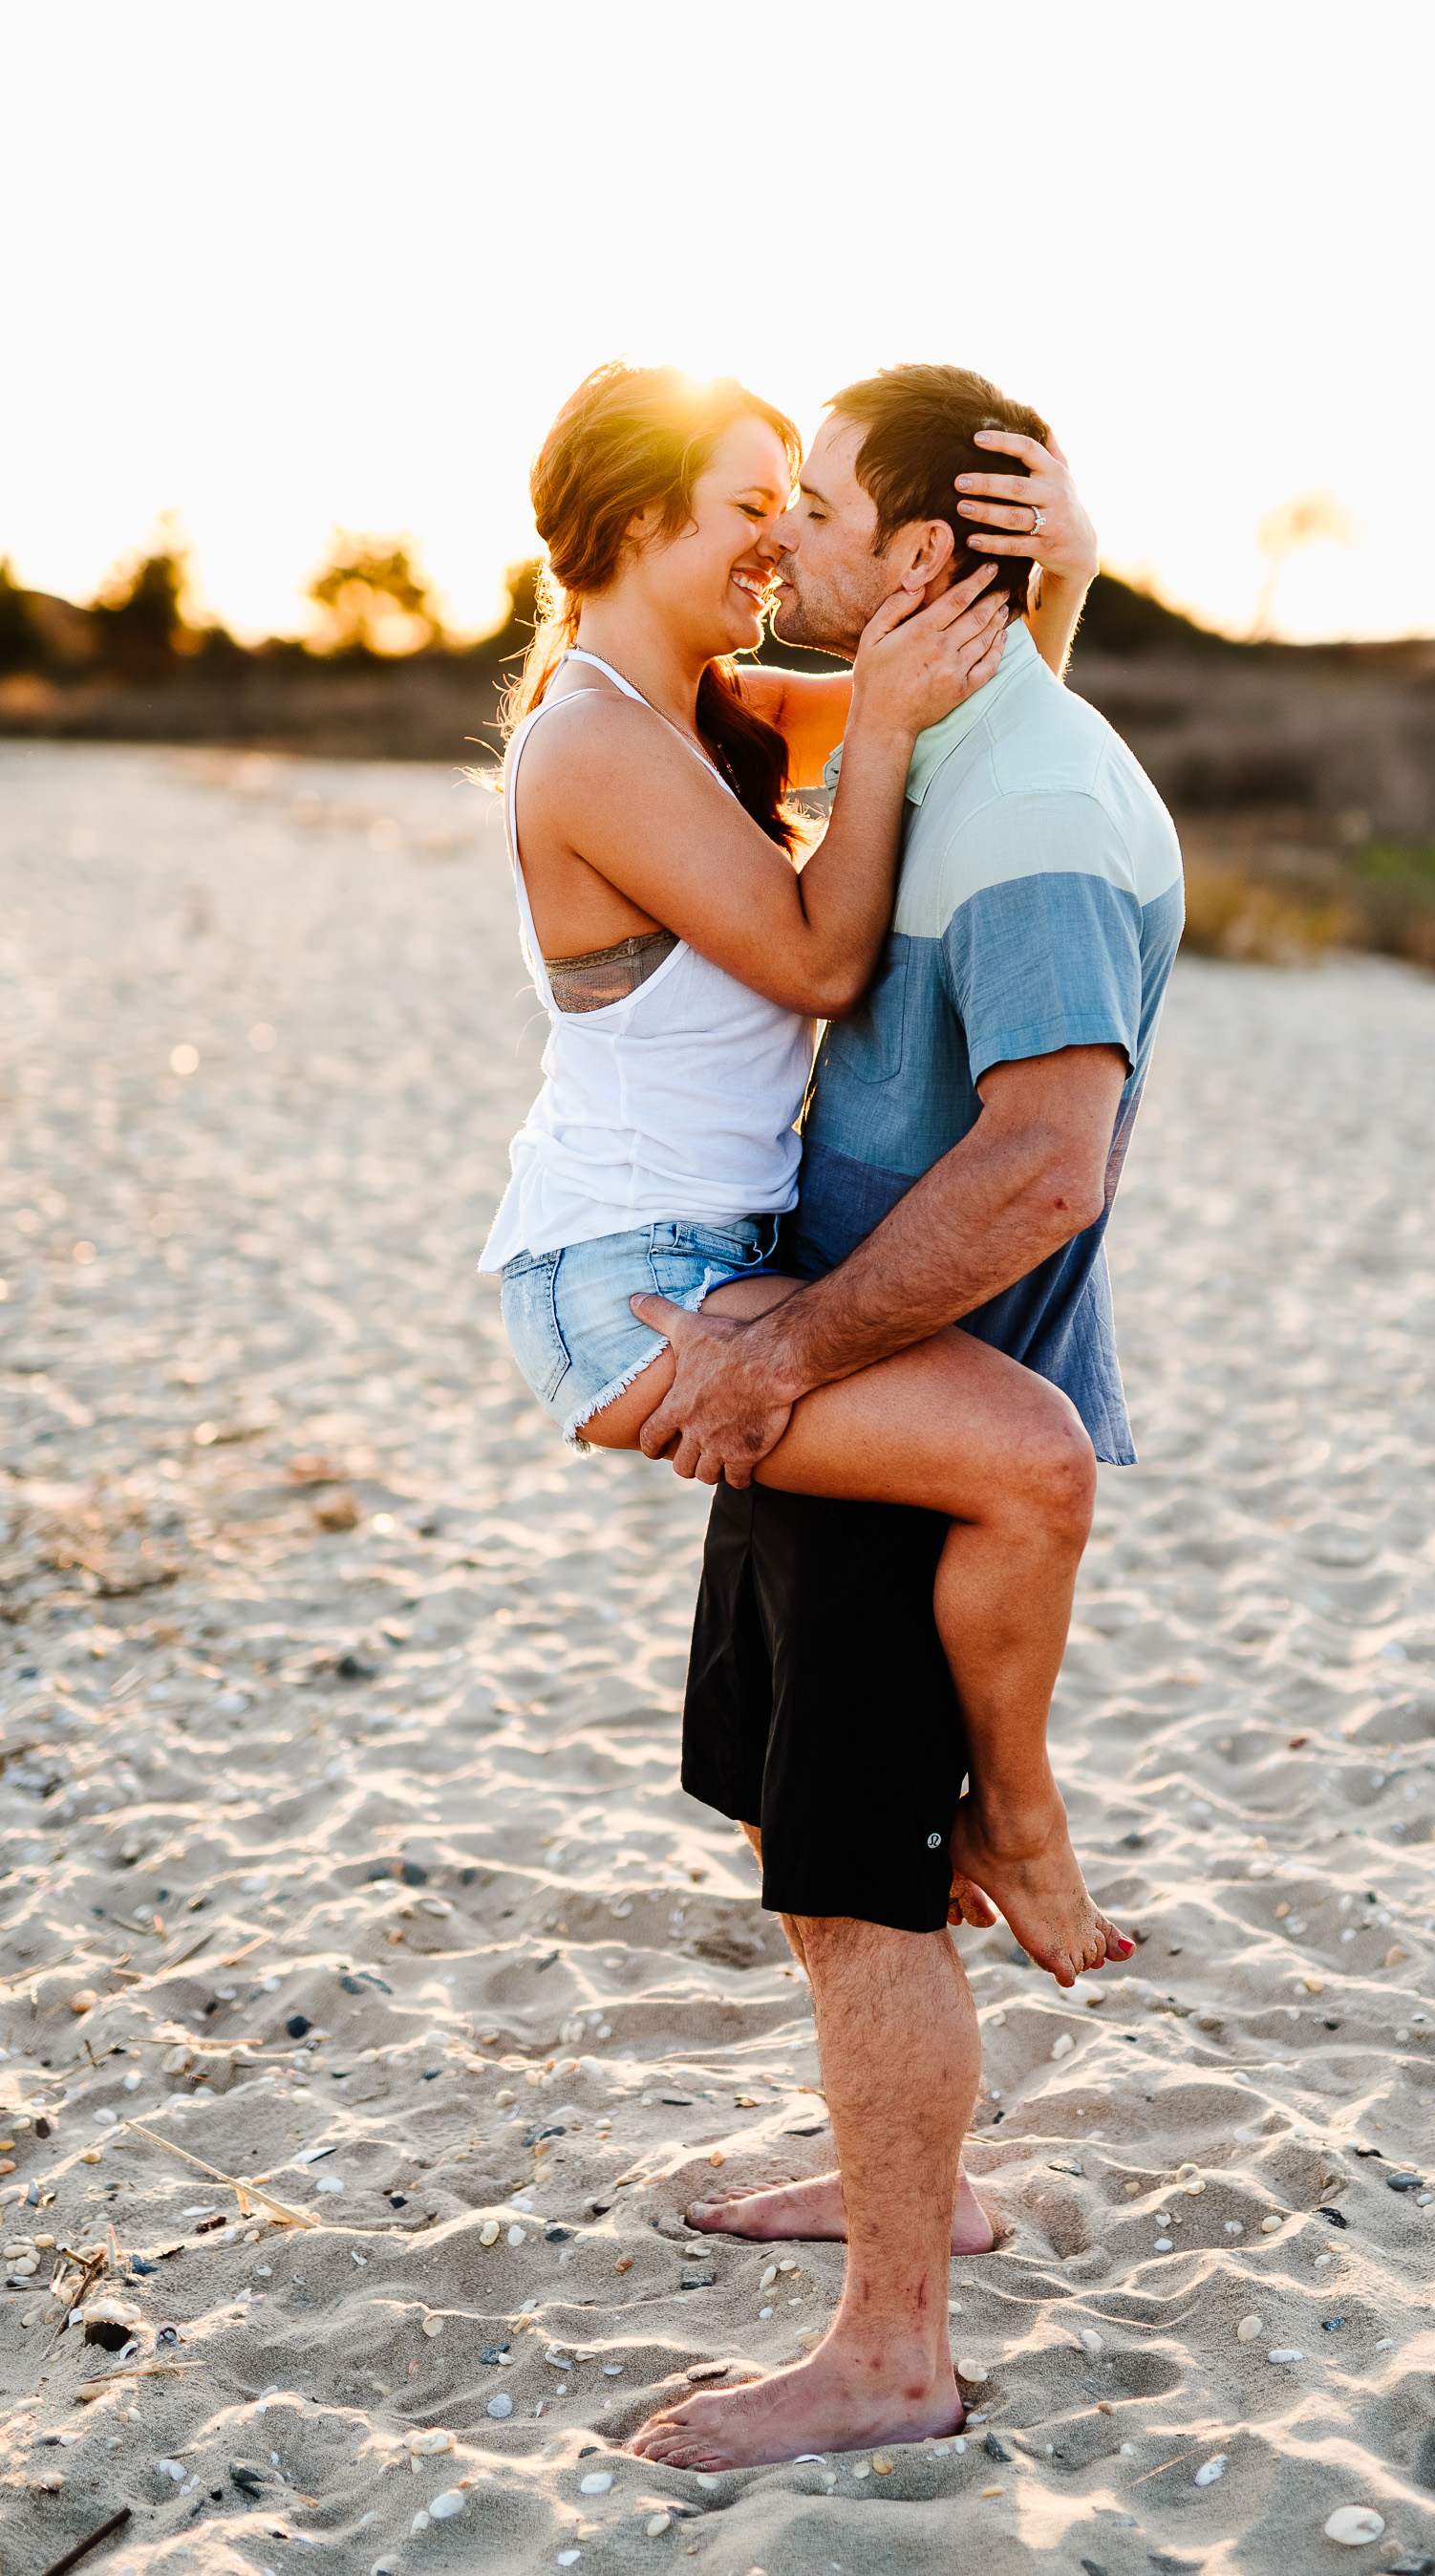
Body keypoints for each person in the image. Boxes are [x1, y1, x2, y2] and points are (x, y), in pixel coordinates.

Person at [625, 363, 1184, 2473]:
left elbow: (1050, 1162)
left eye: (833, 516)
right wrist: (1064, 593)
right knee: (805, 1830)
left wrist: (799, 1347)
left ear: (928, 560)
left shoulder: (1035, 803)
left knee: (867, 1880)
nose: (796, 549)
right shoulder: (953, 716)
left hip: (892, 1382)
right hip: (836, 1360)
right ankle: (915, 2179)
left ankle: (893, 2347)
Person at [482, 361, 1128, 1987]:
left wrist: (1069, 565)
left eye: (793, 508)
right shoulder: (588, 749)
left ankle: (948, 1865)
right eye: (747, 511)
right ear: (637, 525)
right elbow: (823, 960)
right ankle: (1019, 1820)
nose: (775, 546)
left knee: (998, 1488)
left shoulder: (724, 715)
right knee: (1030, 1463)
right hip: (629, 1284)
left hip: (725, 1256)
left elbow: (970, 718)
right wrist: (899, 708)